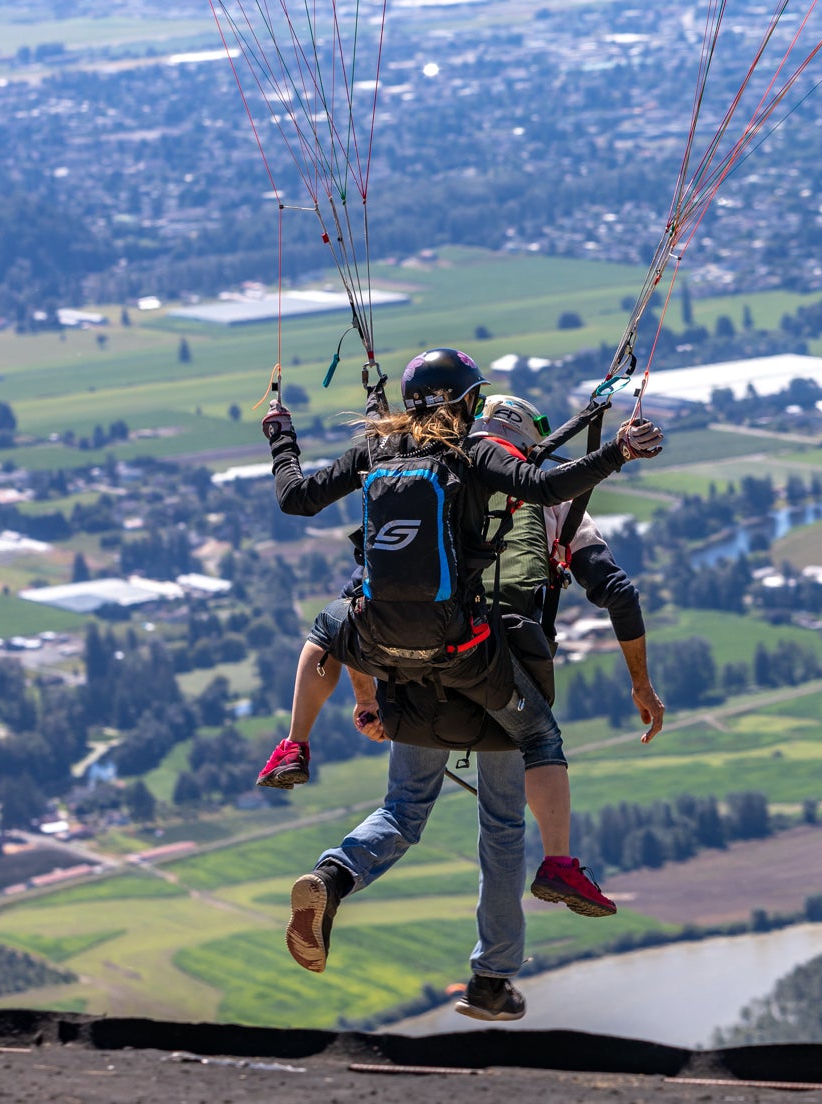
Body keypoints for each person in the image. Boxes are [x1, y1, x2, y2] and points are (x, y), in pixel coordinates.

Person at [282, 391, 665, 1022]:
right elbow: (615, 590)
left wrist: (367, 694)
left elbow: (369, 594)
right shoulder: (555, 504)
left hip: (416, 665)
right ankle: (491, 981)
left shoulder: (438, 475)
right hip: (503, 673)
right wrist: (641, 686)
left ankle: (332, 877)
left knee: (403, 809)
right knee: (504, 827)